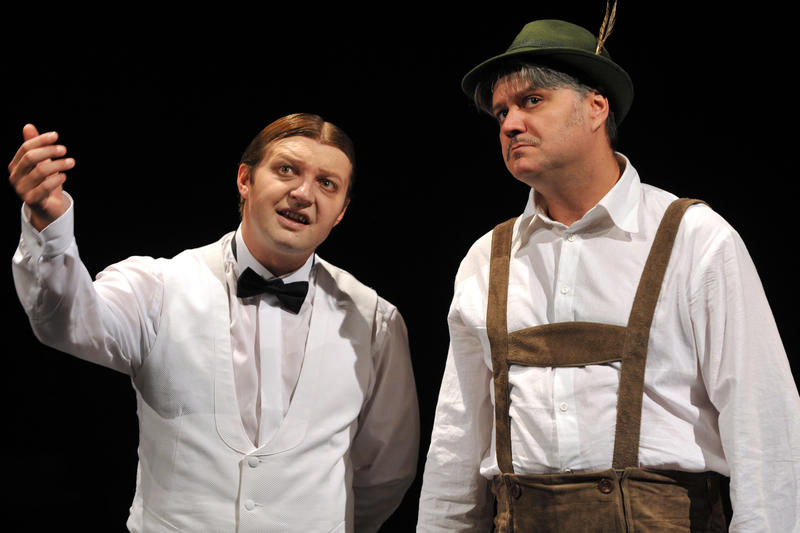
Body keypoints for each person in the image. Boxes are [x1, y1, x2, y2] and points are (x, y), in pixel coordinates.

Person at [416, 14, 800, 533]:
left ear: (596, 106)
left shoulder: (694, 238)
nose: (509, 124)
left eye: (532, 101)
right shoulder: (487, 259)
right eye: (502, 111)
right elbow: (457, 439)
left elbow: (763, 418)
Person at [10, 113, 419, 533]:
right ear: (245, 180)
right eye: (286, 170)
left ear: (341, 212)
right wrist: (49, 225)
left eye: (327, 183)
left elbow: (385, 472)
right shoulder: (158, 286)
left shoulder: (374, 320)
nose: (302, 193)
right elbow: (67, 322)